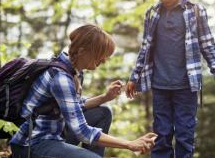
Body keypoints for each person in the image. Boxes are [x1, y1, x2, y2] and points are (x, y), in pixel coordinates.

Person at [125, 0, 215, 158]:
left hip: (186, 87)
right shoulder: (152, 13)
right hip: (160, 86)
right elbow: (145, 49)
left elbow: (208, 46)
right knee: (161, 136)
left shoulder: (196, 12)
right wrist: (134, 76)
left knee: (184, 135)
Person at [10, 24, 157, 158]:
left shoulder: (74, 71)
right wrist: (129, 144)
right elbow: (82, 131)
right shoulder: (61, 77)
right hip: (32, 143)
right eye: (101, 54)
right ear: (82, 51)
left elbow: (75, 106)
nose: (104, 60)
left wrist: (105, 97)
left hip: (55, 134)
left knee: (103, 112)